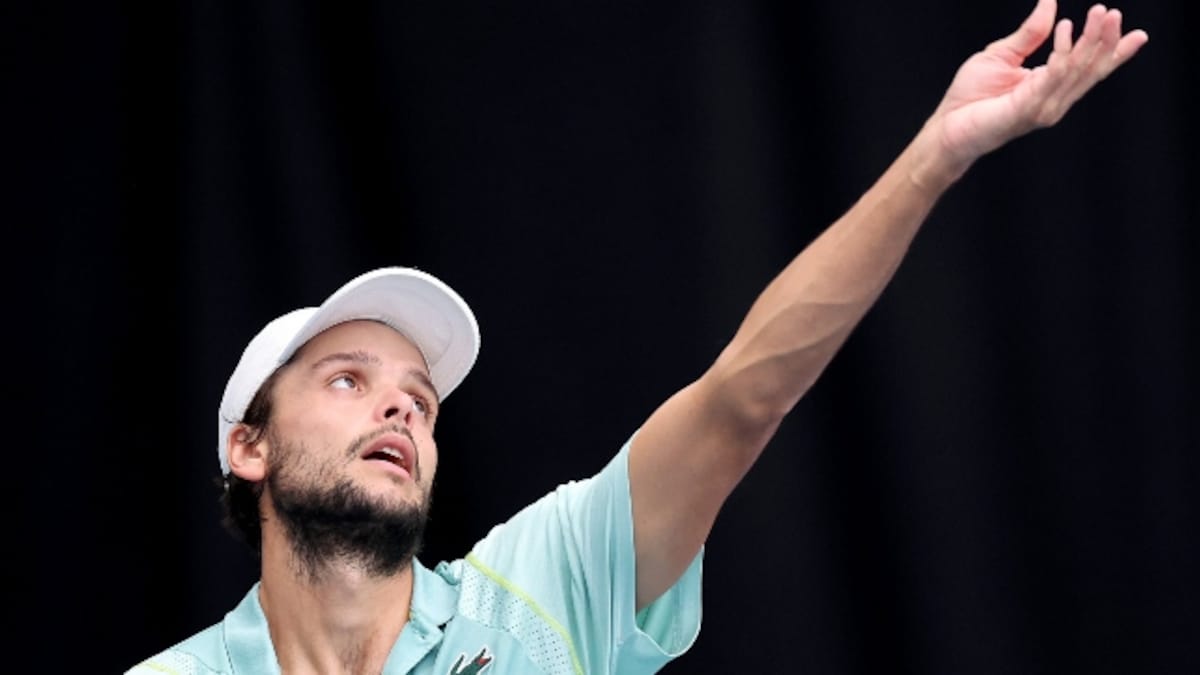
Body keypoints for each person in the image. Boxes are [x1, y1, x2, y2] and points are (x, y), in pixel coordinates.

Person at [127, 1, 1148, 673]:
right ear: (247, 447)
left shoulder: (549, 582)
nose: (401, 403)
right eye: (347, 379)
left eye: (421, 399)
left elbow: (745, 394)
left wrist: (936, 156)